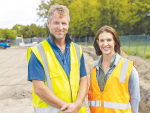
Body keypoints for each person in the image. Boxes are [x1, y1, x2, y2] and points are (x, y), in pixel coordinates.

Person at [27, 4, 88, 113]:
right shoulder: (37, 52)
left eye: (64, 23)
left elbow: (83, 79)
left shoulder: (77, 50)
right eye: (56, 23)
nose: (60, 27)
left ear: (68, 25)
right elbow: (39, 89)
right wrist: (68, 108)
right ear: (48, 23)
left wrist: (77, 104)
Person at [88, 26, 140, 113]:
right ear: (97, 42)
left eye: (109, 40)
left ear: (115, 41)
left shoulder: (128, 67)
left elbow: (135, 98)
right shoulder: (93, 67)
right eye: (102, 40)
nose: (105, 44)